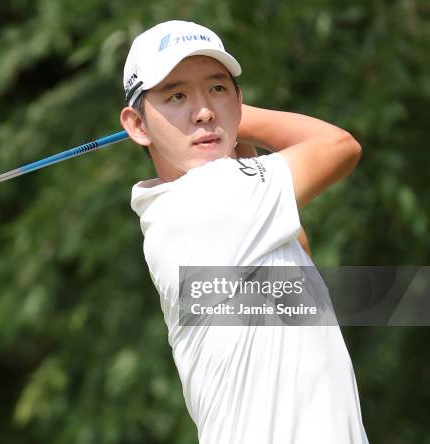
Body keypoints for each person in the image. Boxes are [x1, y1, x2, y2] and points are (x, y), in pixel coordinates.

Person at [120, 20, 368, 443]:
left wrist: (228, 132)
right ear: (137, 125)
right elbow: (339, 146)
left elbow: (300, 253)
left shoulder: (176, 211)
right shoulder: (210, 200)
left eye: (216, 88)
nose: (202, 110)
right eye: (177, 95)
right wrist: (234, 120)